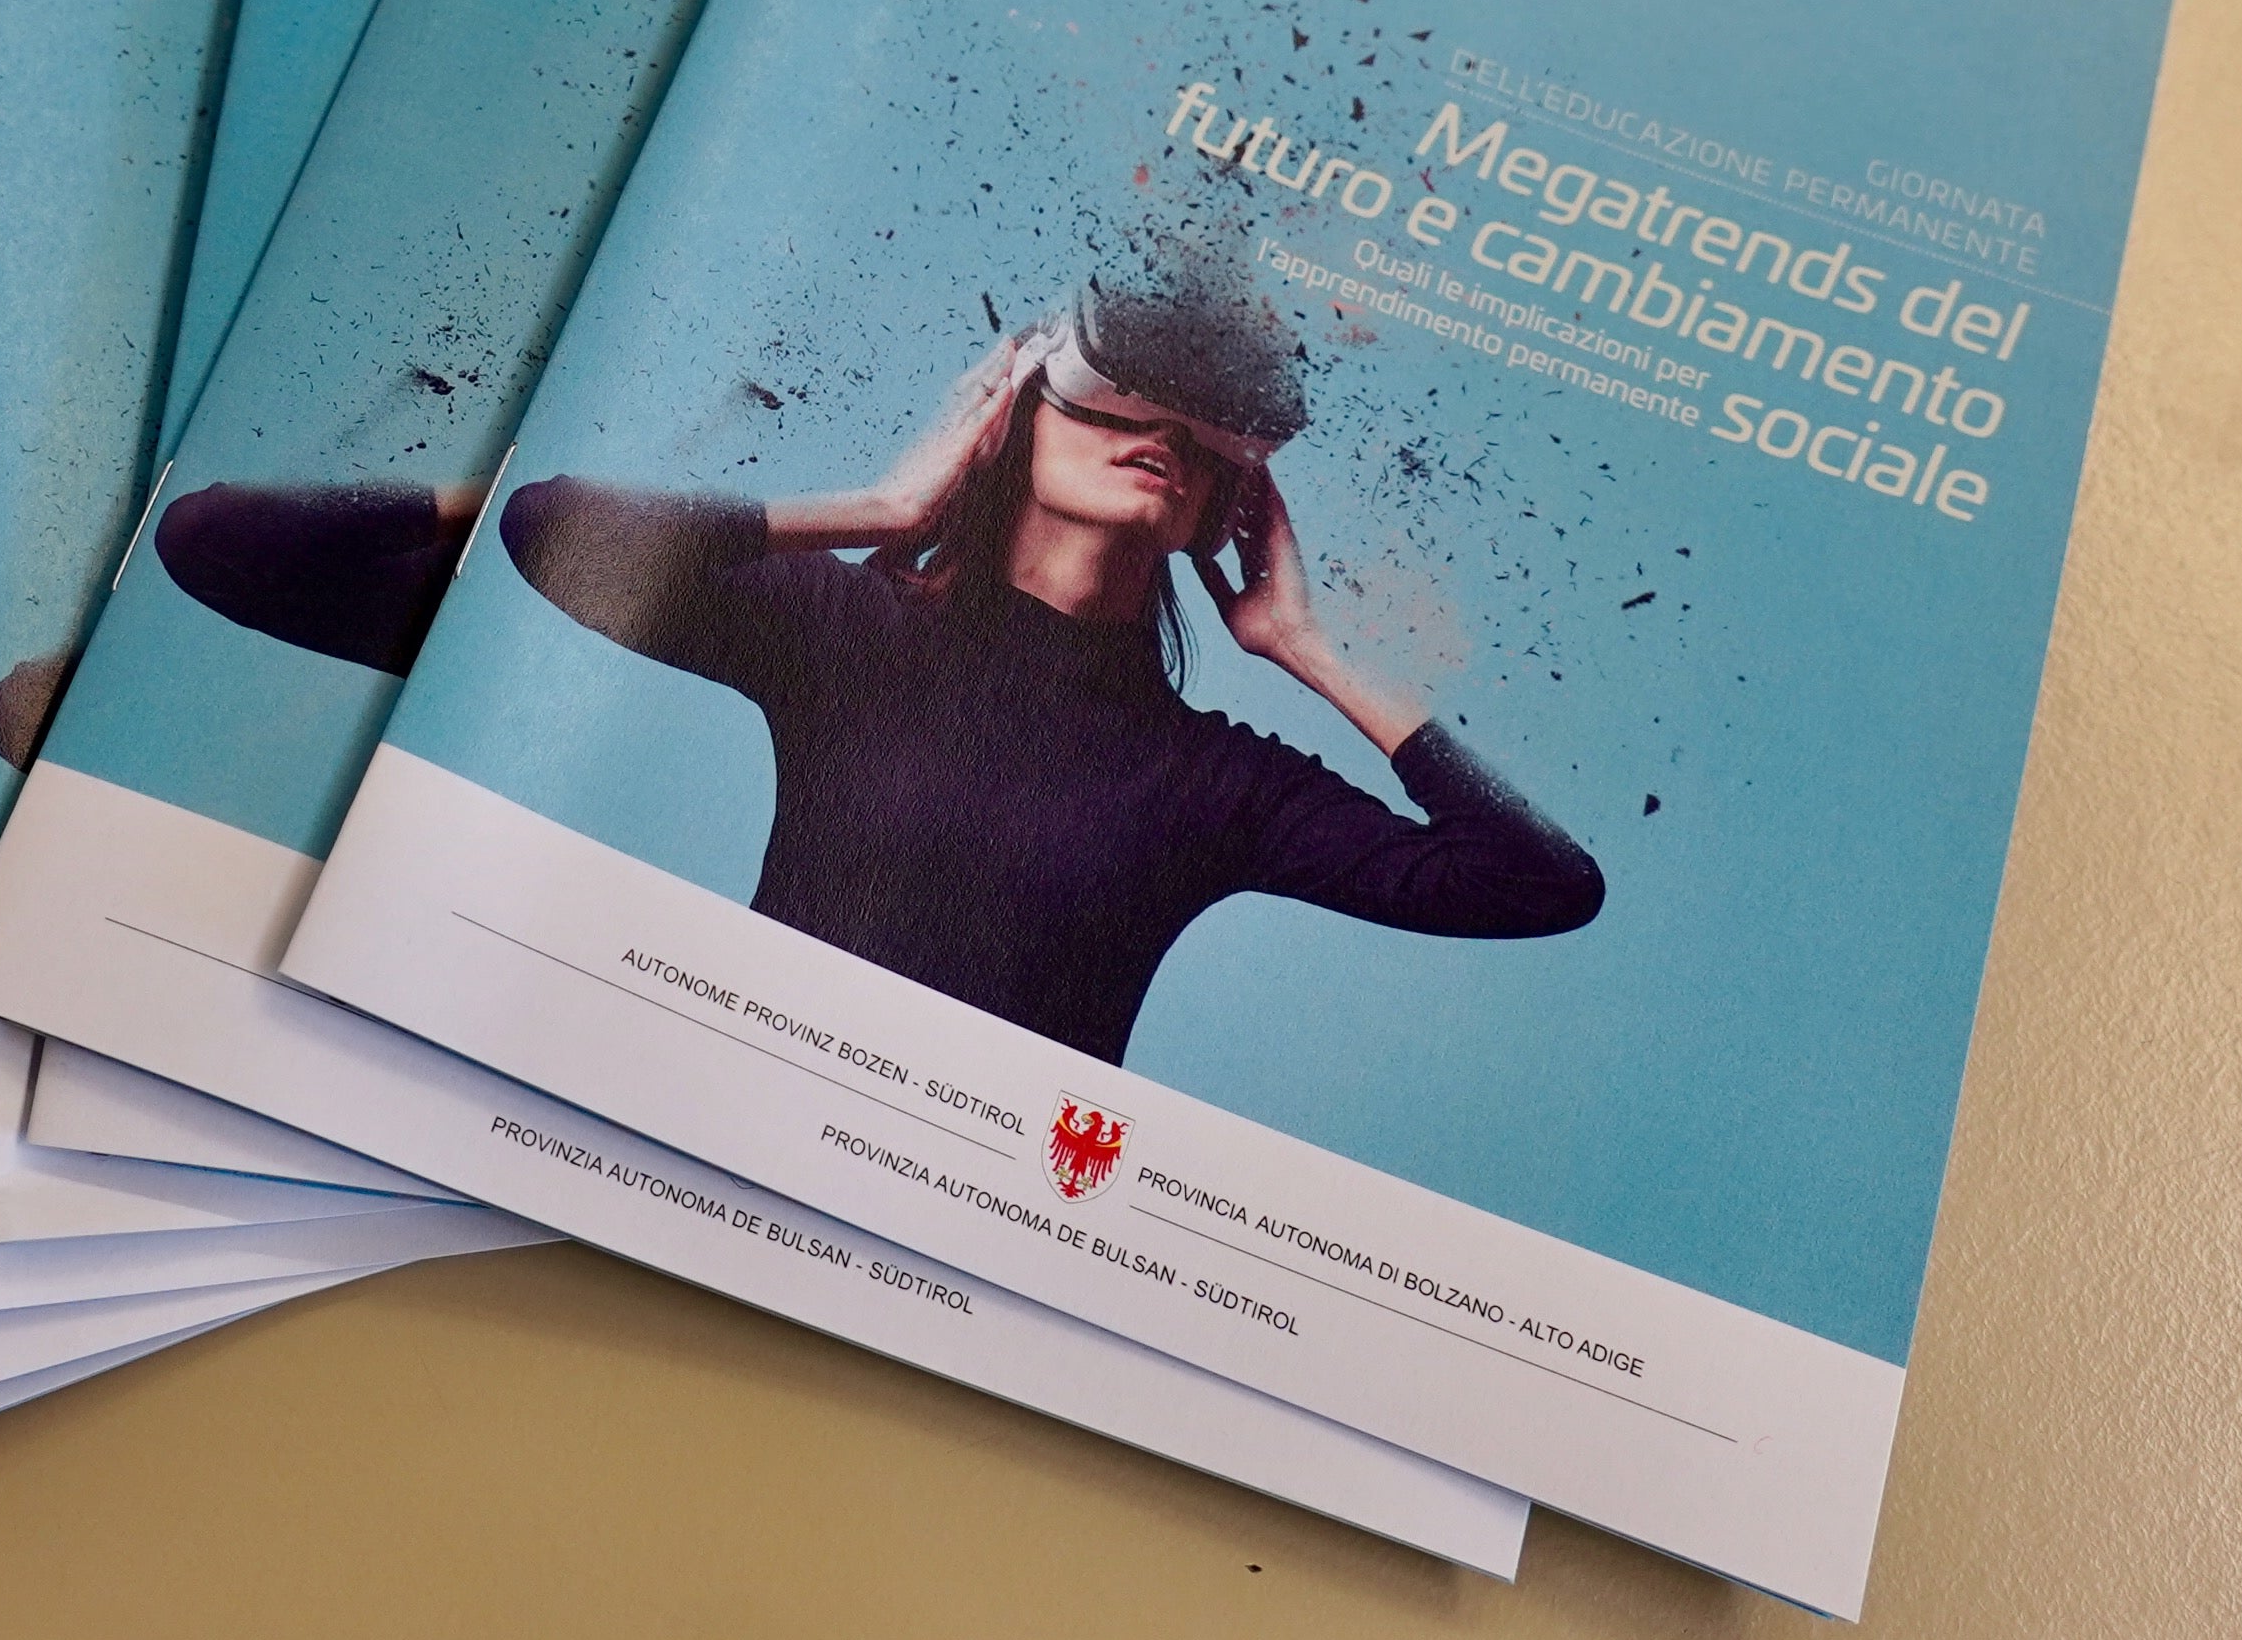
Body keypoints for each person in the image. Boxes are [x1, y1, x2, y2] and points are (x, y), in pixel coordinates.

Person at [496, 274, 1604, 1066]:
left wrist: (1311, 649)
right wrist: (881, 509)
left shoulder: (1214, 784)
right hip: (728, 1134)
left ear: (1234, 495)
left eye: (1206, 427)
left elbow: (1537, 883)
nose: (1165, 431)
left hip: (967, 1231)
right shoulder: (846, 633)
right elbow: (549, 530)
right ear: (1010, 415)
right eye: (1124, 392)